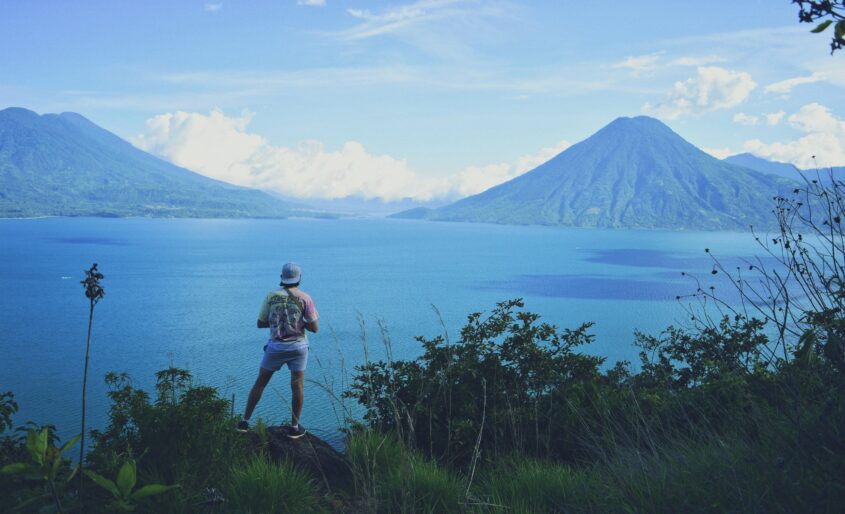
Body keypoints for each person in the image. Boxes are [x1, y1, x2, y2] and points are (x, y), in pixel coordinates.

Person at [237, 262, 319, 438]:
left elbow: (260, 323)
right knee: (297, 386)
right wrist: (299, 323)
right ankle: (295, 427)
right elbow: (314, 328)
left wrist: (275, 324)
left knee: (260, 383)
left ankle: (244, 422)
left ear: (282, 278)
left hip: (275, 347)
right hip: (298, 347)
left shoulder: (271, 297)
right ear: (299, 278)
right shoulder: (305, 298)